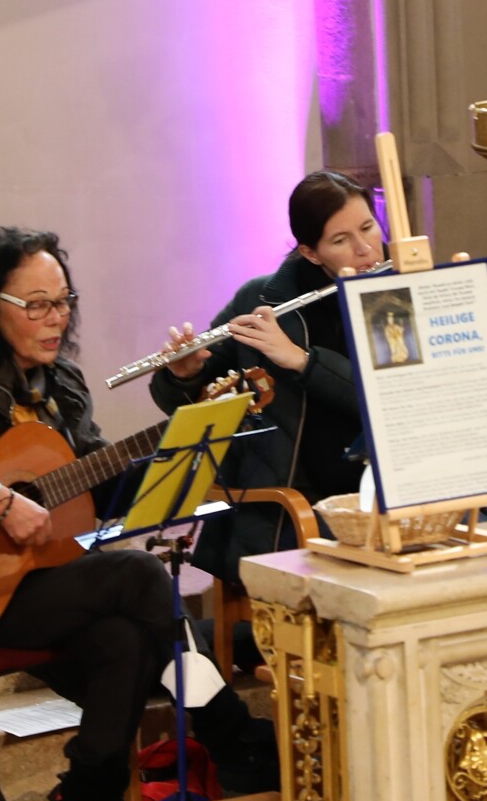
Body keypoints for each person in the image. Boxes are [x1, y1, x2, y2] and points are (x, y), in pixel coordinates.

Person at [0, 227, 275, 801]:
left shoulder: (61, 384)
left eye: (63, 302)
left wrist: (189, 420)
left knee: (124, 641)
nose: (56, 319)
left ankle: (87, 799)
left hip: (37, 581)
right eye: (36, 305)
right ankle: (234, 737)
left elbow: (103, 488)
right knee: (140, 576)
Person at [150, 170, 381, 587]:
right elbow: (189, 401)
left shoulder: (403, 291)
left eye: (368, 227)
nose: (364, 248)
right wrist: (185, 374)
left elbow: (390, 399)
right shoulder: (261, 300)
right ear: (311, 253)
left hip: (386, 491)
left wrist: (303, 361)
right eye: (341, 240)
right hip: (291, 508)